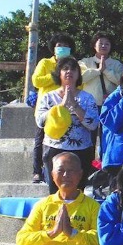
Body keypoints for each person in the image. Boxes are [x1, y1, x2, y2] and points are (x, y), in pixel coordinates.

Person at [36, 57, 100, 194]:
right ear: (58, 73)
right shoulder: (48, 97)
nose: (69, 71)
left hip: (81, 150)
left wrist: (75, 106)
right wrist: (61, 107)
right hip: (54, 148)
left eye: (73, 69)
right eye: (65, 68)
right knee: (54, 191)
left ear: (78, 74)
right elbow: (40, 121)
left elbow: (93, 124)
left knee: (77, 192)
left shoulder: (87, 98)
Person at [31, 33, 77, 184]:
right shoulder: (45, 63)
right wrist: (57, 75)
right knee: (40, 140)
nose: (62, 48)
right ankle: (37, 171)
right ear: (53, 48)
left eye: (65, 46)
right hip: (47, 108)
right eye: (59, 46)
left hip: (67, 110)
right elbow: (36, 81)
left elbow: (78, 83)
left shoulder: (72, 64)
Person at [79, 32, 123, 119]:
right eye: (101, 43)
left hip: (110, 104)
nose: (104, 46)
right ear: (94, 46)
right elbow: (80, 79)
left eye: (107, 44)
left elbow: (121, 81)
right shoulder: (85, 62)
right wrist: (98, 71)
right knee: (91, 131)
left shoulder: (116, 64)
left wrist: (106, 70)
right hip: (89, 104)